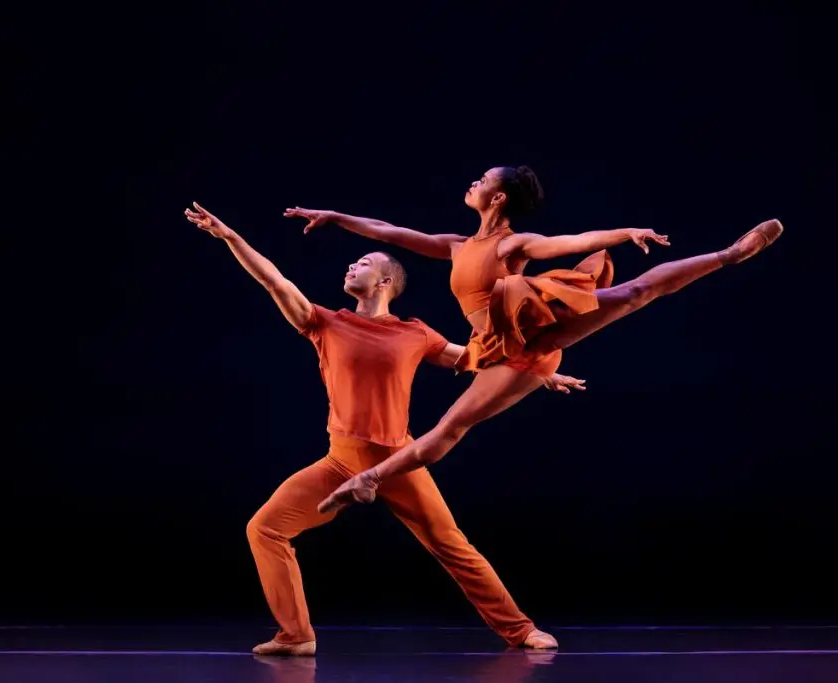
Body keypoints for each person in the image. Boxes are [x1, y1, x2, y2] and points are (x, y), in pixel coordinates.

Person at [185, 202, 584, 655]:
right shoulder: (325, 322)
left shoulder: (415, 333)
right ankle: (296, 636)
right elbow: (274, 281)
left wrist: (541, 372)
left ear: (385, 282)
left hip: (397, 460)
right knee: (265, 529)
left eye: (363, 263)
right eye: (353, 262)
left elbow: (476, 361)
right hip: (340, 460)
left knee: (451, 545)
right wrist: (231, 237)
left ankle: (520, 630)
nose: (351, 266)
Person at [283, 165, 783, 514]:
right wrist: (335, 217)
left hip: (537, 329)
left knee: (633, 292)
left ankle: (728, 255)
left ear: (497, 197)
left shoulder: (512, 243)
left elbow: (566, 244)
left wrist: (620, 232)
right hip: (502, 352)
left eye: (483, 180)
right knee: (451, 427)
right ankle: (368, 481)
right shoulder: (456, 246)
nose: (473, 182)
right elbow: (389, 231)